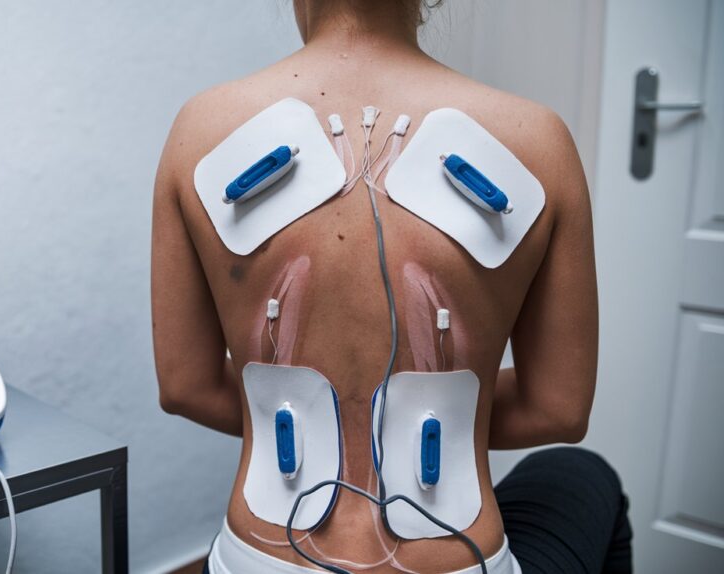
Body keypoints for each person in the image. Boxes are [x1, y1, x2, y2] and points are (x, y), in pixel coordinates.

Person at [151, 1, 632, 572]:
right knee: (586, 478)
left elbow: (186, 386)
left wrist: (314, 410)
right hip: (456, 556)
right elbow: (557, 411)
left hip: (260, 556)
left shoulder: (201, 129)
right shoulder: (539, 141)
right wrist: (442, 419)